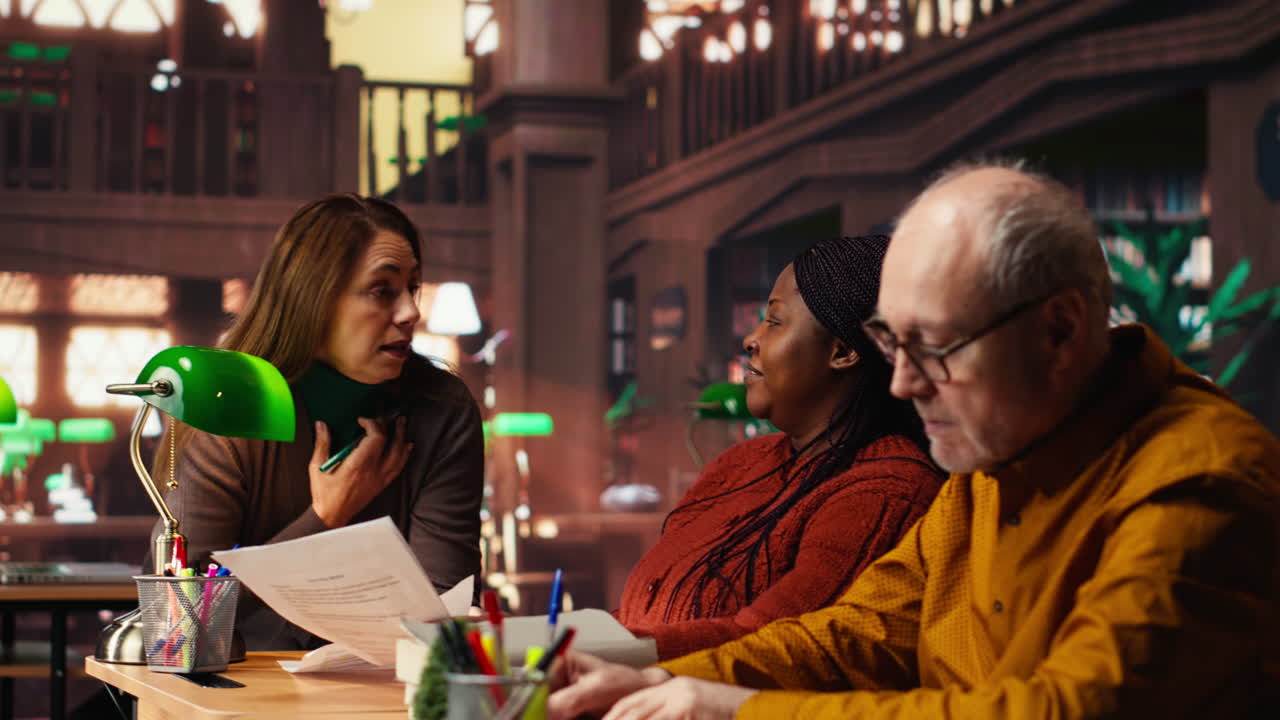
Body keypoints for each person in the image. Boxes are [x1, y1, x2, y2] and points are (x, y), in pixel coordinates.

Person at [548, 162, 1280, 719]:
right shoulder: (990, 463)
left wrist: (734, 707)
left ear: (1059, 331)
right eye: (889, 344)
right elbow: (856, 633)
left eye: (931, 348)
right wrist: (670, 682)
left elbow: (1058, 710)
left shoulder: (1201, 479)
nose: (900, 384)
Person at [150, 193, 484, 650]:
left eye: (413, 288)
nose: (410, 313)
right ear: (315, 301)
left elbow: (443, 615)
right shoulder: (223, 402)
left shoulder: (441, 409)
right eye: (382, 291)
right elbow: (178, 624)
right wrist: (325, 517)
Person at [615, 235, 943, 659]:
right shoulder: (740, 463)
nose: (751, 339)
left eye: (774, 321)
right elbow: (638, 615)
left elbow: (769, 647)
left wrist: (608, 657)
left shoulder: (887, 492)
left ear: (842, 351)